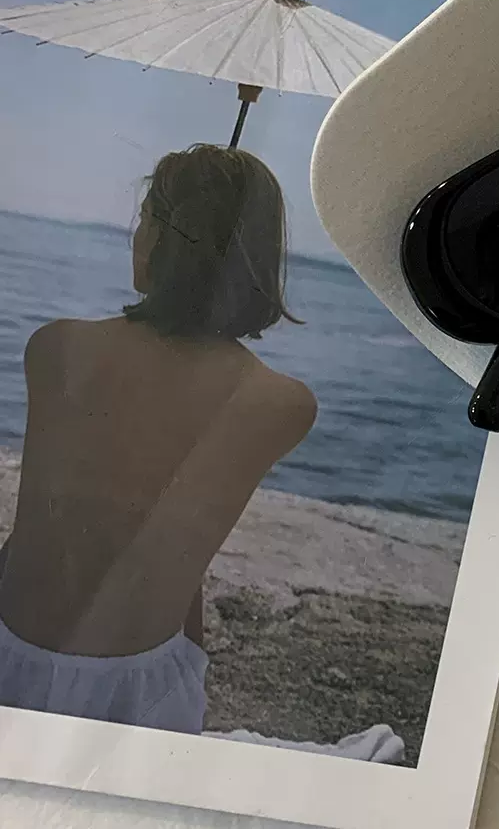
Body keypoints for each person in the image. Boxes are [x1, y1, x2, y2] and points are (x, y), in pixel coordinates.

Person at [0, 144, 317, 734]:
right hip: (136, 686)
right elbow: (179, 546)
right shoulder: (281, 403)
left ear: (160, 240)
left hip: (10, 655)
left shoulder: (56, 348)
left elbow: (38, 528)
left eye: (146, 218)